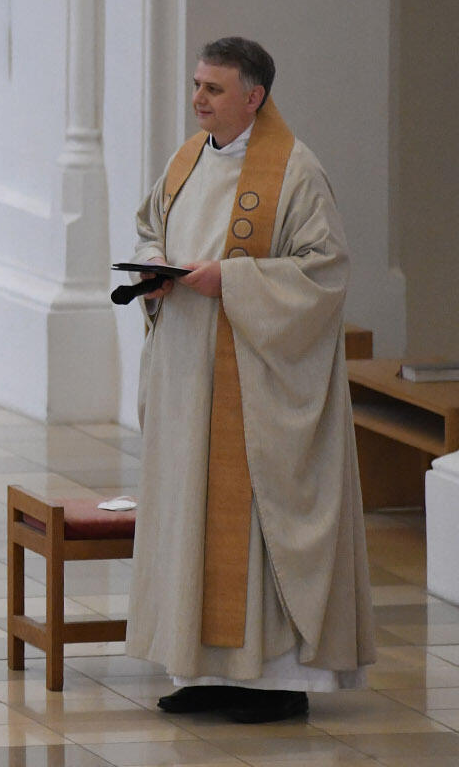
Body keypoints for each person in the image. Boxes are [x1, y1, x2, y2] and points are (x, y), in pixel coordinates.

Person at [128, 37, 374, 723]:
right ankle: (204, 671)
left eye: (213, 88)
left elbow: (324, 270)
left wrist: (227, 280)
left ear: (253, 96)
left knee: (252, 523)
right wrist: (155, 263)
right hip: (189, 378)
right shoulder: (187, 158)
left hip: (258, 385)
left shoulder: (294, 172)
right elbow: (153, 221)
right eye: (198, 85)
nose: (198, 99)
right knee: (191, 514)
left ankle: (271, 680)